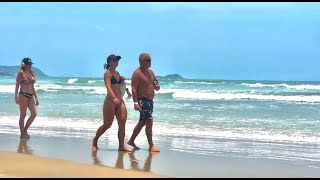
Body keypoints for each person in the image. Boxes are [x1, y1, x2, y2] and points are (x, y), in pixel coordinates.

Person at [92, 54, 131, 152]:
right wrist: (114, 97)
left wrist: (121, 80)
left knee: (122, 123)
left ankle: (121, 146)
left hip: (120, 101)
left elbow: (119, 86)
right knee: (107, 124)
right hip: (110, 101)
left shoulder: (117, 73)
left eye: (117, 60)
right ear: (110, 62)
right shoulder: (107, 74)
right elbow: (108, 87)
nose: (117, 61)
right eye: (115, 60)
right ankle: (95, 140)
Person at [127, 53, 160, 152]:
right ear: (142, 62)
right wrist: (136, 103)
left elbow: (155, 81)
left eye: (150, 59)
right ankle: (151, 145)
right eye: (148, 60)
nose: (150, 62)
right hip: (142, 100)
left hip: (150, 101)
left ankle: (131, 140)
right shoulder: (137, 73)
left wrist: (156, 85)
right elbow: (134, 89)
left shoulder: (151, 72)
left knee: (142, 122)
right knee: (149, 120)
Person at [15, 58, 39, 139]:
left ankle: (25, 130)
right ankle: (22, 133)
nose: (30, 66)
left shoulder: (32, 73)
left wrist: (36, 97)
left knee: (34, 113)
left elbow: (32, 87)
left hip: (31, 96)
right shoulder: (21, 73)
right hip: (23, 95)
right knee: (23, 114)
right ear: (24, 64)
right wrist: (16, 96)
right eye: (28, 64)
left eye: (31, 64)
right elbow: (17, 85)